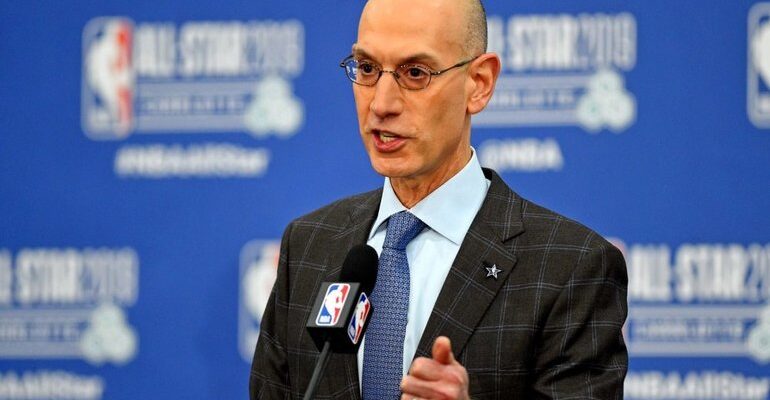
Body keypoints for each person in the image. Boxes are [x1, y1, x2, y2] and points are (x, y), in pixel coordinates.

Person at [250, 0, 628, 398]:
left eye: (415, 73)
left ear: (479, 83)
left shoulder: (571, 268)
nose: (381, 104)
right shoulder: (309, 245)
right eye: (367, 68)